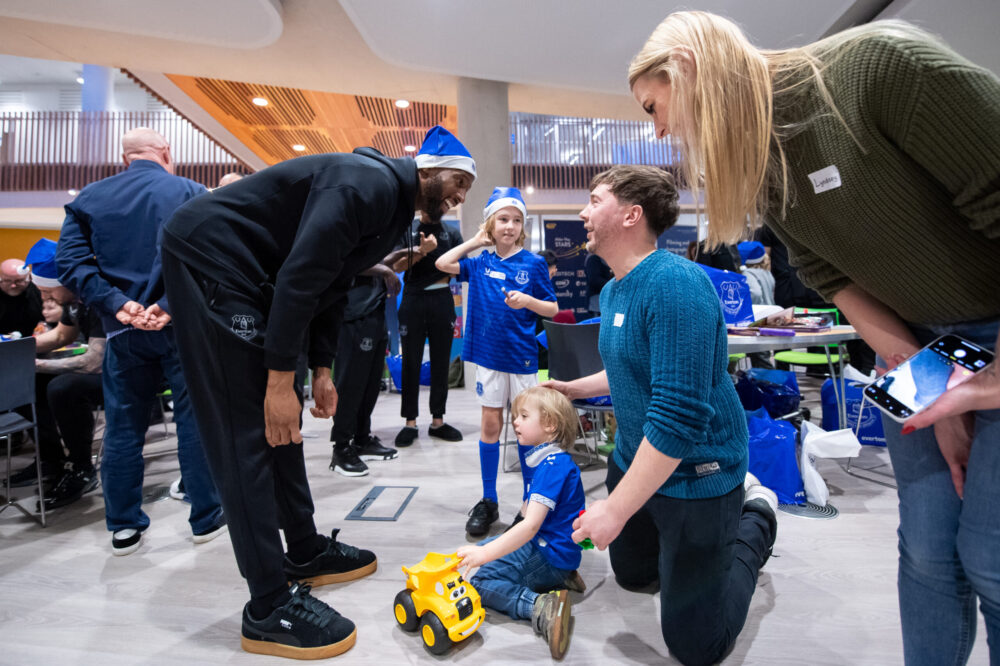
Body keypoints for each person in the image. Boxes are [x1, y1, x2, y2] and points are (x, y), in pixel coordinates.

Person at [628, 12, 1000, 664]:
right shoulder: (763, 166)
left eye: (654, 106)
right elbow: (831, 276)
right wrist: (932, 386)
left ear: (688, 63)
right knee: (927, 552)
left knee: (990, 556)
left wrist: (982, 386)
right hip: (920, 343)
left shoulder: (879, 68)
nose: (658, 130)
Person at [158, 125, 476, 659]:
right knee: (246, 432)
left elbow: (333, 283)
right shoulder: (366, 184)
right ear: (426, 168)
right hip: (211, 261)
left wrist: (321, 368)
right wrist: (283, 380)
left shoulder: (390, 208)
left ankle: (302, 551)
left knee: (282, 427)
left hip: (254, 277)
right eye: (458, 180)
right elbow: (301, 277)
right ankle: (266, 607)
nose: (461, 194)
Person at [545, 165, 777, 666]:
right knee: (633, 576)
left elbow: (678, 414)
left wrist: (615, 509)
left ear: (631, 214)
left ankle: (757, 517)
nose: (583, 213)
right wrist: (572, 388)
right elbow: (632, 367)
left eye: (594, 200)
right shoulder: (613, 289)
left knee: (698, 648)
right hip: (634, 459)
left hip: (698, 472)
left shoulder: (677, 285)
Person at [56, 127, 225, 557]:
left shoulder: (88, 198)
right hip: (181, 326)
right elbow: (213, 257)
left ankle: (124, 528)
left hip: (123, 332)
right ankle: (206, 518)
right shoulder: (191, 190)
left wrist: (120, 306)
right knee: (194, 420)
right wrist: (167, 304)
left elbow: (70, 265)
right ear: (165, 152)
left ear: (124, 158)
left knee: (124, 428)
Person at [436, 187, 558, 537]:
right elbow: (442, 264)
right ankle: (489, 501)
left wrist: (528, 301)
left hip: (521, 358)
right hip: (488, 358)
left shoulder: (534, 264)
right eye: (503, 219)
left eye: (516, 220)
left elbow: (552, 308)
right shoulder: (480, 262)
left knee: (527, 429)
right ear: (491, 223)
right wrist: (475, 241)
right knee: (491, 424)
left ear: (523, 227)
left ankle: (528, 503)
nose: (510, 226)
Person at [456, 386, 584, 660]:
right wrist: (488, 549)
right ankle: (563, 577)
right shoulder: (549, 460)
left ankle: (541, 606)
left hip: (547, 553)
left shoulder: (550, 467)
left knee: (477, 580)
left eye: (524, 416)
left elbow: (529, 526)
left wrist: (485, 554)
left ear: (550, 424)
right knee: (475, 557)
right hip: (554, 549)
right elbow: (527, 518)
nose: (515, 421)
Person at [11, 239, 105, 509]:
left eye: (47, 292)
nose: (44, 299)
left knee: (64, 387)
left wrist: (37, 365)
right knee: (27, 382)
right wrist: (14, 349)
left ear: (63, 283)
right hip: (99, 367)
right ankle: (50, 460)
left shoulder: (95, 298)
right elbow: (62, 335)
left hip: (129, 374)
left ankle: (82, 468)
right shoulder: (73, 301)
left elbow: (93, 362)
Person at [390, 181, 467, 448]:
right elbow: (397, 265)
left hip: (441, 298)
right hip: (412, 298)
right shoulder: (408, 229)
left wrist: (440, 261)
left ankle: (438, 420)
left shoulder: (451, 233)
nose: (442, 206)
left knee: (440, 362)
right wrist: (421, 252)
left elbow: (460, 268)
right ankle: (410, 421)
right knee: (410, 361)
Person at [328, 262, 401, 476]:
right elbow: (348, 258)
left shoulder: (377, 233)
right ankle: (341, 447)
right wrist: (385, 270)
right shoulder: (348, 228)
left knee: (370, 384)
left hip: (375, 308)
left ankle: (362, 439)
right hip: (353, 311)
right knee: (350, 382)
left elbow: (379, 257)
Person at [1, 257, 43, 338]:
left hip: (35, 341)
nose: (13, 285)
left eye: (19, 281)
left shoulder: (40, 291)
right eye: (7, 281)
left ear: (29, 278)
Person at [737, 240, 775, 306]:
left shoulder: (747, 273)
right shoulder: (766, 272)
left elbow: (755, 293)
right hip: (770, 310)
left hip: (759, 313)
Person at [583, 252, 611, 317]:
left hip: (605, 302)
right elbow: (594, 280)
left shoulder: (603, 257)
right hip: (596, 303)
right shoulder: (593, 258)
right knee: (597, 326)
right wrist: (613, 284)